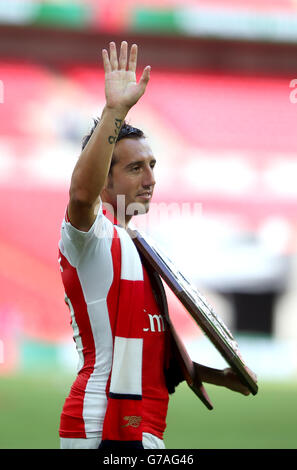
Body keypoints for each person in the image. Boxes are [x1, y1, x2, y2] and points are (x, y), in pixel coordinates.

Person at [58, 41, 256, 450]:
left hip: (145, 427)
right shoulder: (91, 239)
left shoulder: (143, 249)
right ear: (106, 183)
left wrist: (218, 374)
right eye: (135, 167)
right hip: (101, 425)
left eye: (152, 165)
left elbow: (153, 356)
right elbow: (80, 195)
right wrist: (115, 112)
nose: (150, 178)